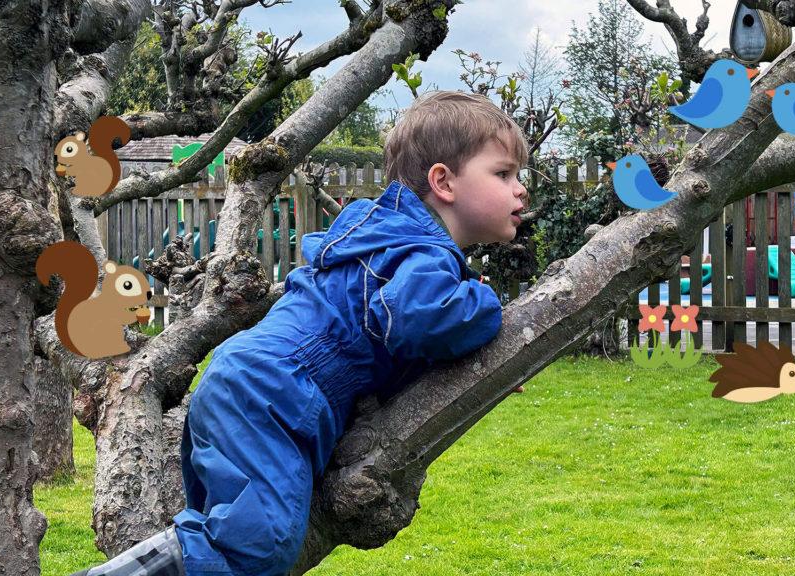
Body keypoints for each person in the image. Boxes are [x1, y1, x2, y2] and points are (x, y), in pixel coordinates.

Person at [71, 90, 529, 576]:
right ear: (444, 181)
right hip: (275, 395)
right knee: (258, 546)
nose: (520, 189)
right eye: (503, 173)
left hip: (248, 381)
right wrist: (485, 307)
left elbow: (389, 333)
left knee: (222, 542)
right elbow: (412, 317)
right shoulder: (424, 252)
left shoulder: (384, 240)